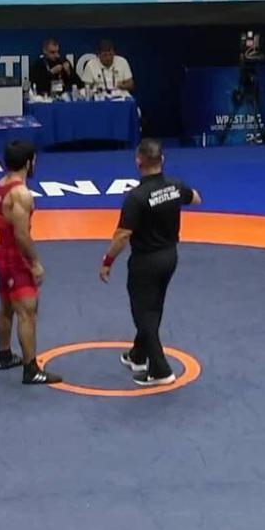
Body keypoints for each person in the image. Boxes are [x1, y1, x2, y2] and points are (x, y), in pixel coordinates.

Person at [99, 139, 202, 387]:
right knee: (154, 306)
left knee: (143, 313)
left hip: (145, 261)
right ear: (162, 160)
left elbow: (123, 235)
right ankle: (138, 354)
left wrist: (107, 261)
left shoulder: (137, 197)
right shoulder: (175, 186)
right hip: (169, 257)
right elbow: (196, 198)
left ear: (138, 162)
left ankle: (160, 369)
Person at [0, 141, 62, 385]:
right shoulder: (21, 194)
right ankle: (31, 369)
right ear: (29, 162)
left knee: (6, 306)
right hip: (15, 259)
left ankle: (4, 355)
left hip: (2, 253)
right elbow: (21, 235)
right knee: (27, 313)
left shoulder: (1, 184)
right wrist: (34, 263)